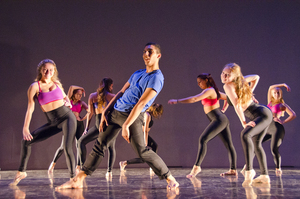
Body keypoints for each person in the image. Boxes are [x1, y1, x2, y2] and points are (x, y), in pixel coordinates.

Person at [56, 42, 179, 190]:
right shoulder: (138, 73)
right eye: (144, 51)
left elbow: (141, 103)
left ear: (158, 55)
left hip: (132, 117)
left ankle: (170, 178)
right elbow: (121, 92)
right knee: (99, 145)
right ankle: (78, 179)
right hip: (115, 113)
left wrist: (126, 124)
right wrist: (105, 112)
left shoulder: (157, 77)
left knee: (143, 151)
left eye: (150, 52)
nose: (146, 54)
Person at [10, 59, 77, 186]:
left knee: (67, 147)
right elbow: (30, 108)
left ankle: (74, 179)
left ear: (54, 71)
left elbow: (65, 97)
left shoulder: (57, 84)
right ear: (41, 70)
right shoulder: (35, 87)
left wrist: (68, 103)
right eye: (45, 69)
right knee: (26, 141)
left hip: (67, 118)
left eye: (51, 70)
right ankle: (21, 171)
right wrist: (25, 128)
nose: (48, 72)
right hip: (53, 122)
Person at [168, 73, 237, 178]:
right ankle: (233, 170)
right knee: (228, 145)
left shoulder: (209, 90)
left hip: (219, 119)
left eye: (200, 81)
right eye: (197, 82)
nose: (199, 84)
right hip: (221, 119)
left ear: (206, 80)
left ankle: (197, 167)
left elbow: (194, 99)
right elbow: (228, 98)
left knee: (203, 139)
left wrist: (177, 101)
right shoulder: (213, 91)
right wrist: (223, 110)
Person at [221, 63, 273, 187]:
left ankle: (249, 171)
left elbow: (237, 105)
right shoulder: (237, 83)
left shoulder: (228, 85)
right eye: (223, 73)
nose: (224, 76)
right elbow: (256, 77)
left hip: (261, 114)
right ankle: (265, 175)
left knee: (245, 134)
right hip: (262, 113)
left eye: (228, 75)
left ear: (235, 76)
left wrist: (244, 122)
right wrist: (249, 90)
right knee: (257, 144)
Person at [77, 78, 115, 178]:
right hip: (99, 125)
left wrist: (87, 128)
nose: (112, 87)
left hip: (107, 125)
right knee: (81, 141)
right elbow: (90, 113)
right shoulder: (95, 96)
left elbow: (91, 113)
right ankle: (83, 167)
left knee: (110, 147)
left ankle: (109, 171)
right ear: (109, 85)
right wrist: (87, 128)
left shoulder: (110, 97)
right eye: (111, 86)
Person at [48, 85, 88, 173]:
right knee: (63, 146)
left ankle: (78, 166)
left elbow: (90, 111)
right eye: (78, 94)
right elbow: (71, 87)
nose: (80, 96)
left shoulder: (81, 103)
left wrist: (82, 118)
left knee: (79, 144)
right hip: (69, 124)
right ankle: (53, 163)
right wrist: (82, 88)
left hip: (78, 124)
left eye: (81, 94)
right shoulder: (69, 100)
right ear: (74, 94)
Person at [119, 103, 163, 176]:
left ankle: (152, 165)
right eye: (157, 111)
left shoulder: (147, 114)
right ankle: (124, 163)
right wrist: (145, 142)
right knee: (143, 158)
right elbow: (145, 130)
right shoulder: (147, 115)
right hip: (141, 135)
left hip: (142, 134)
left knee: (154, 146)